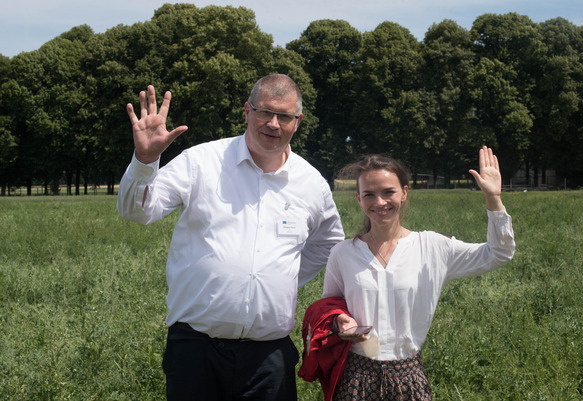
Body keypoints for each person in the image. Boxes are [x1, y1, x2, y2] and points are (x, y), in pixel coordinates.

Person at [117, 74, 345, 401]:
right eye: (265, 112)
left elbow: (328, 243)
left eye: (285, 116)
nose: (274, 124)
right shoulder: (201, 162)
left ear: (298, 122)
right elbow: (137, 211)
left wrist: (282, 278)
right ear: (247, 111)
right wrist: (145, 161)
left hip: (270, 358)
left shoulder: (311, 183)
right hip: (196, 351)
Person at [321, 147, 515, 400]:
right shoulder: (343, 253)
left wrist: (493, 199)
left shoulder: (432, 247)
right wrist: (340, 321)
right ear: (359, 199)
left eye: (388, 192)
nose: (380, 202)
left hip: (409, 377)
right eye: (369, 194)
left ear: (404, 193)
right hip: (356, 378)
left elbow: (498, 254)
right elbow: (330, 308)